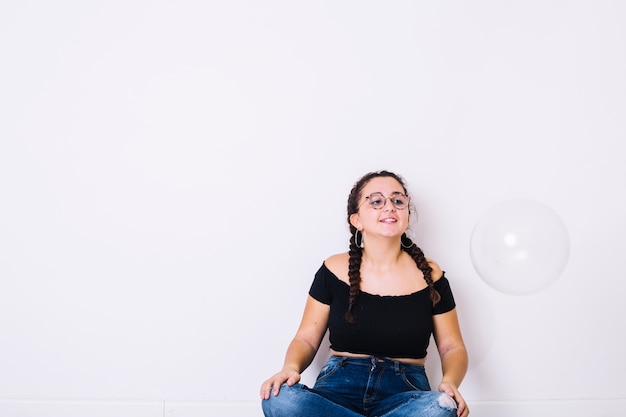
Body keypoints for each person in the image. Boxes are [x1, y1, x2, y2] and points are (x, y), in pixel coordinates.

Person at [260, 170, 469, 417]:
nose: (389, 207)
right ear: (356, 220)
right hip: (337, 388)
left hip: (405, 391)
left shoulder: (431, 276)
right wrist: (290, 367)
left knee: (441, 409)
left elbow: (451, 347)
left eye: (398, 200)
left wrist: (450, 382)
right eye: (377, 201)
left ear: (407, 215)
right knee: (280, 399)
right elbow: (306, 338)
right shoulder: (332, 269)